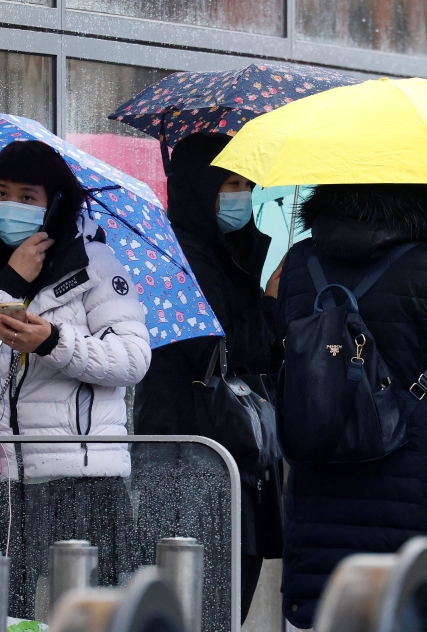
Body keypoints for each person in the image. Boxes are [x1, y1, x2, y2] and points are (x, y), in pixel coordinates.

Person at [0, 140, 151, 618]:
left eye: (27, 197)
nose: (11, 206)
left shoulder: (95, 265)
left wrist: (52, 340)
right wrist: (5, 284)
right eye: (2, 193)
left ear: (54, 205)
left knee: (93, 617)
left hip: (83, 479)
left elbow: (132, 359)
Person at [275, 183, 427, 628]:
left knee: (332, 609)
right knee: (422, 605)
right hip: (424, 466)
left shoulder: (301, 261)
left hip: (323, 471)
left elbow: (288, 361)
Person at [133, 132, 283, 622]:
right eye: (227, 184)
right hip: (188, 460)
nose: (239, 196)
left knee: (225, 602)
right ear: (201, 188)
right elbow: (211, 350)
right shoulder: (179, 256)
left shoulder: (233, 252)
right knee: (198, 605)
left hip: (230, 457)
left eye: (245, 184)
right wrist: (270, 306)